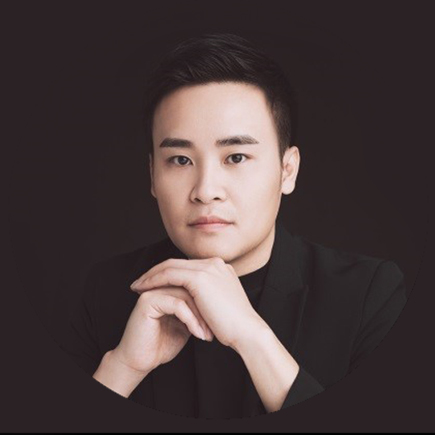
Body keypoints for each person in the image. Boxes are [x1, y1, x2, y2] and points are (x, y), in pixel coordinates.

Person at [60, 33, 407, 419]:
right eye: (180, 160)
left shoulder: (368, 295)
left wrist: (252, 337)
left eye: (236, 157)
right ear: (152, 176)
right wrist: (124, 367)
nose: (206, 191)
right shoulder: (108, 292)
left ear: (287, 170)